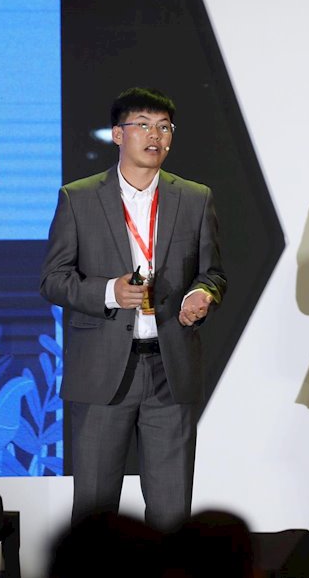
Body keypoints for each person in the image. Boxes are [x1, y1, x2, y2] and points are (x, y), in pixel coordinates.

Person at [40, 87, 226, 530]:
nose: (155, 136)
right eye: (143, 125)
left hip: (169, 369)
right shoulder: (79, 198)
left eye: (164, 127)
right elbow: (53, 279)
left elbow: (213, 273)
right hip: (103, 372)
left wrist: (202, 295)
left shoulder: (195, 197)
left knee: (172, 514)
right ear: (117, 134)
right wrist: (109, 292)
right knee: (95, 515)